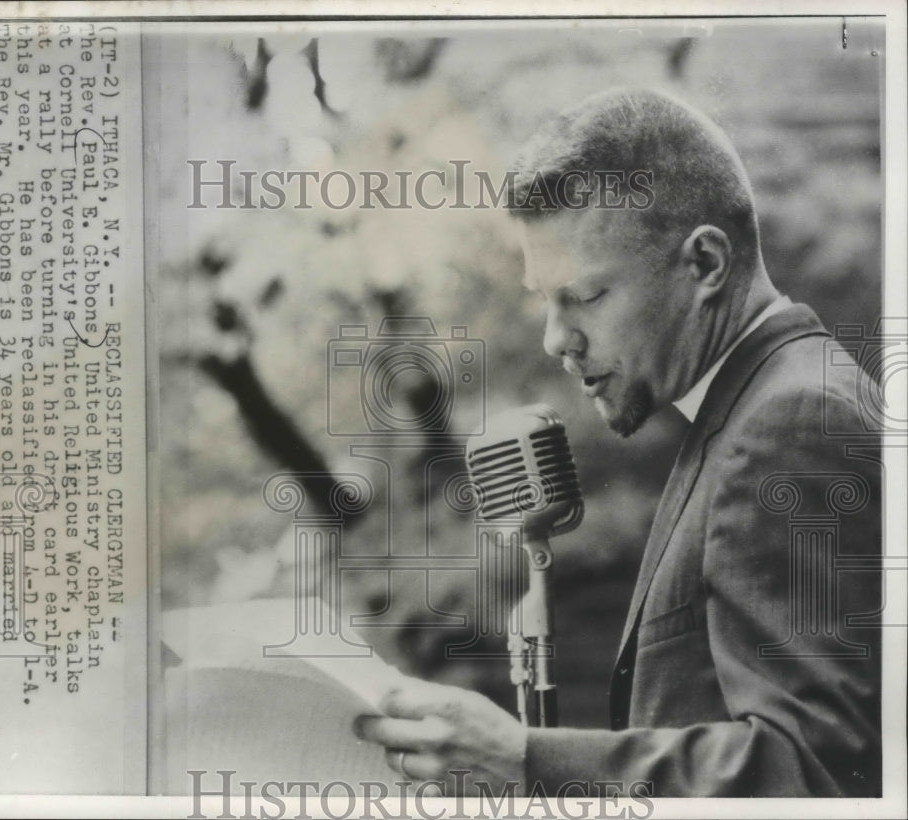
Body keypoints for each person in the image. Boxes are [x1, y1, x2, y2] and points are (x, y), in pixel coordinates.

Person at [353, 88, 883, 797]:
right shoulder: (764, 404)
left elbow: (809, 775)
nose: (555, 340)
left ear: (705, 264)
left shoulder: (790, 422)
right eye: (544, 300)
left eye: (586, 296)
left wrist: (525, 756)